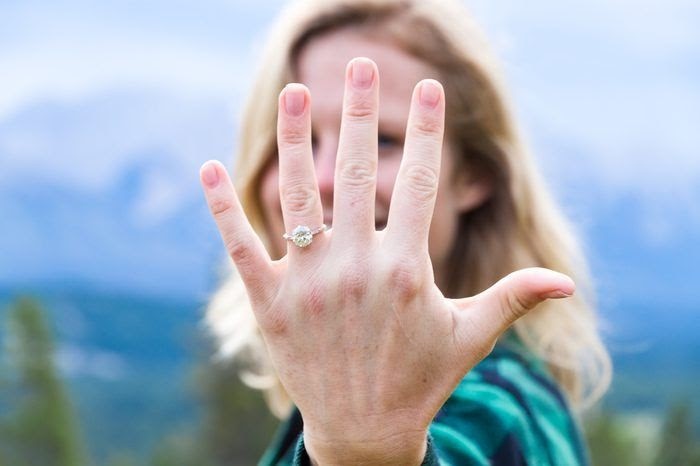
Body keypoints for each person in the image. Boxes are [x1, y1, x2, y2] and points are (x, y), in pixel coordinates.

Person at [199, 0, 612, 464]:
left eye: (382, 139)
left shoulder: (497, 410)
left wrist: (367, 449)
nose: (326, 177)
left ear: (472, 177)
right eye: (299, 139)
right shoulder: (319, 409)